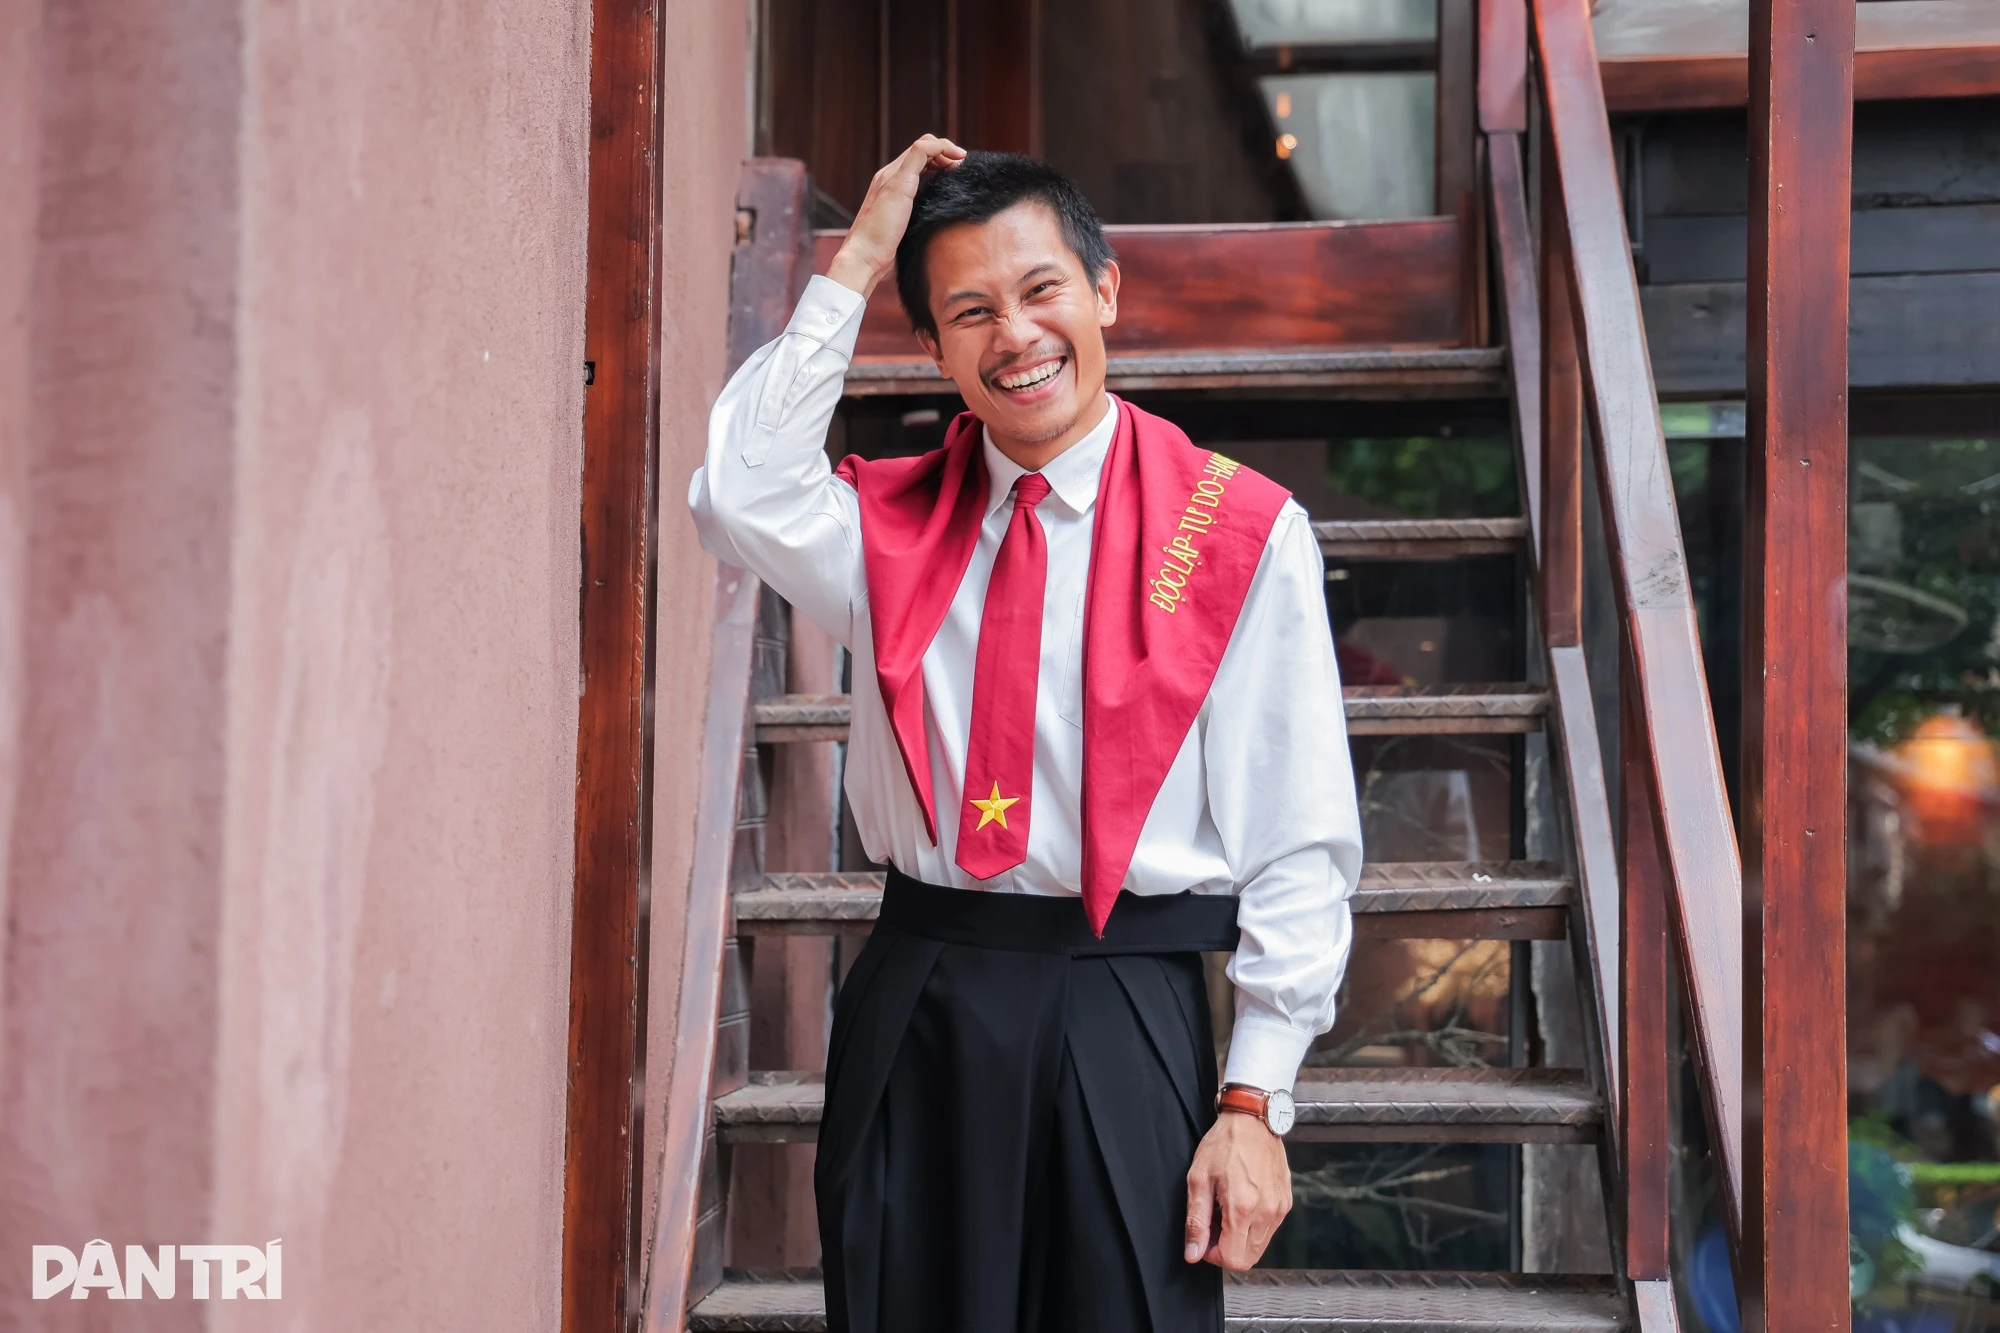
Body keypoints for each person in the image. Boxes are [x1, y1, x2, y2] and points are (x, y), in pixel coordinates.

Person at [690, 136, 1362, 1333]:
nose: (1015, 335)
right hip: (920, 993)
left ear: (1103, 292)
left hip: (1122, 1000)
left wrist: (1255, 1099)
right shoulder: (882, 532)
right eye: (969, 311)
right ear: (935, 348)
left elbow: (1297, 835)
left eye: (1041, 289)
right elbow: (739, 489)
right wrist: (856, 260)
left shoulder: (1238, 533)